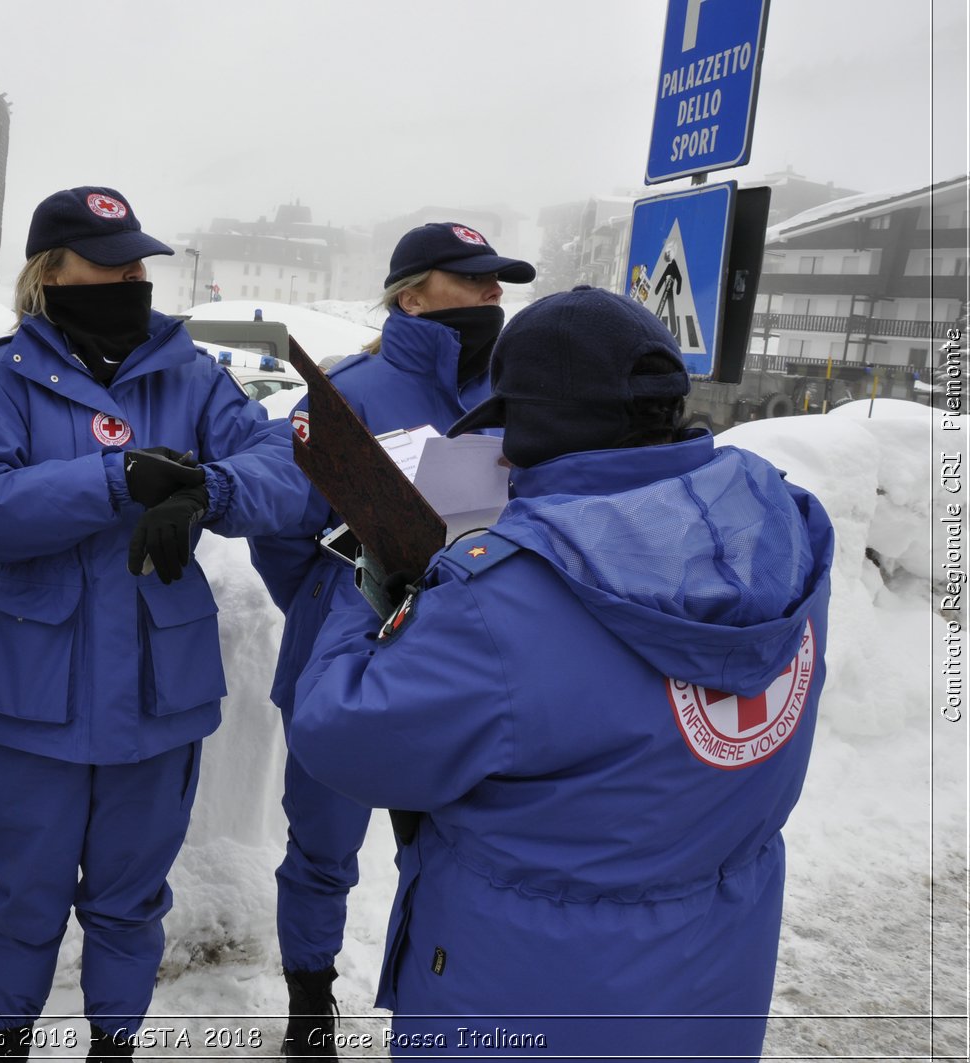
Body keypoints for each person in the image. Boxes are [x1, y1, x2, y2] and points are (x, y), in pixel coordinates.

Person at [290, 286, 833, 1060]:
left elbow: (340, 733)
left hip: (526, 995)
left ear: (545, 427)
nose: (504, 451)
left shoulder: (504, 600)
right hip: (713, 982)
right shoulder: (784, 523)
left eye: (511, 428)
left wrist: (370, 578)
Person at [0, 186, 302, 1061]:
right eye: (111, 262)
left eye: (140, 261)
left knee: (131, 898)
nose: (133, 276)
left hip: (156, 688)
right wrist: (114, 480)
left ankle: (114, 1044)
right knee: (23, 893)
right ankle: (8, 1039)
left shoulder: (193, 374)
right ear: (51, 272)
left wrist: (211, 491)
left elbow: (285, 476)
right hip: (36, 689)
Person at [247, 222, 535, 1055]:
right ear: (413, 294)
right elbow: (284, 521)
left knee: (453, 848)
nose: (493, 295)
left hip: (465, 664)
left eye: (498, 282)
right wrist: (320, 595)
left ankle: (442, 1004)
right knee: (323, 848)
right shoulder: (354, 394)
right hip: (347, 661)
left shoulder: (518, 395)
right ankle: (311, 1005)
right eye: (473, 279)